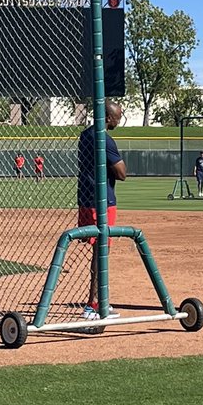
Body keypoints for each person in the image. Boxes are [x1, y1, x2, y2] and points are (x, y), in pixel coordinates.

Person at [77, 100, 126, 319]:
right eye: (117, 117)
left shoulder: (85, 134)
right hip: (103, 201)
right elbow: (122, 173)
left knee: (98, 250)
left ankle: (95, 301)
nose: (119, 121)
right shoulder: (105, 139)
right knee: (101, 251)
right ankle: (94, 304)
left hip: (86, 197)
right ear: (107, 117)